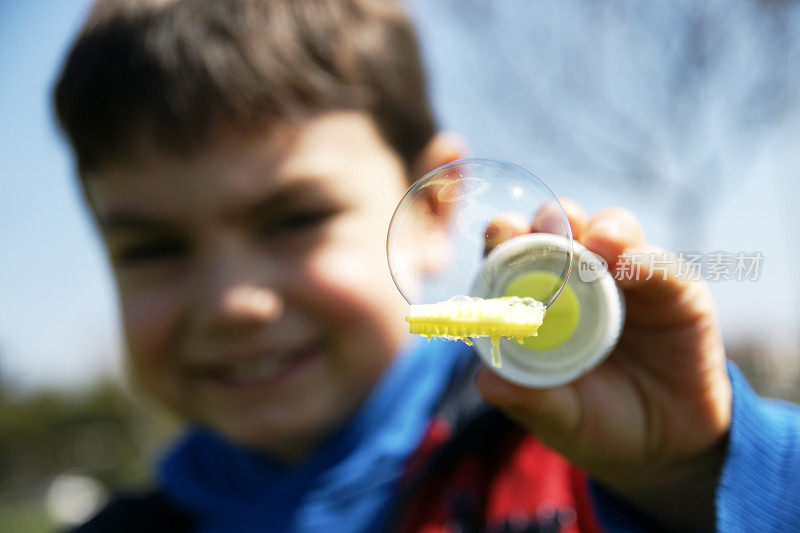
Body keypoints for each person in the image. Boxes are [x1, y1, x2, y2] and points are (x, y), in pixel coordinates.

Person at [52, 0, 800, 531]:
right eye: (152, 248)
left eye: (294, 219)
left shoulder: (585, 451)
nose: (231, 301)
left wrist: (691, 476)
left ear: (436, 205)